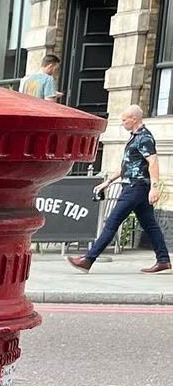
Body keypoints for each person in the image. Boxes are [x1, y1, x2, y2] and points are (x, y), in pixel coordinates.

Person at [68, 104, 171, 274]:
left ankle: (88, 259)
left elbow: (153, 162)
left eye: (124, 120)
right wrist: (108, 181)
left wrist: (154, 187)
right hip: (135, 187)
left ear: (134, 119)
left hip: (135, 187)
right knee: (150, 225)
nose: (122, 123)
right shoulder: (135, 138)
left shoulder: (144, 138)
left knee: (112, 222)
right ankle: (163, 260)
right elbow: (126, 166)